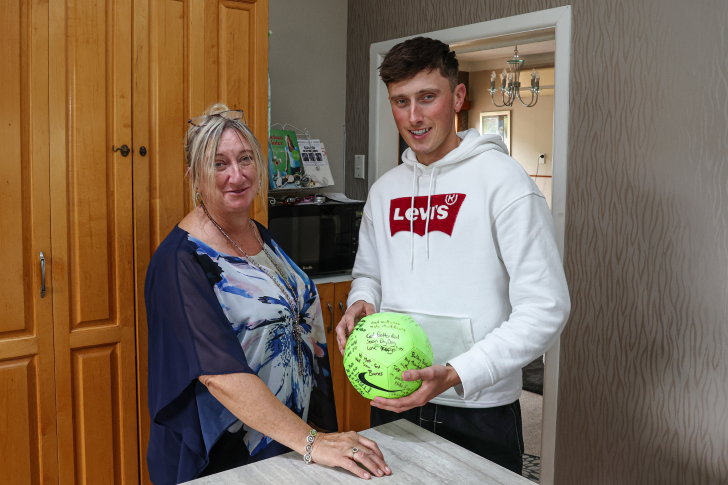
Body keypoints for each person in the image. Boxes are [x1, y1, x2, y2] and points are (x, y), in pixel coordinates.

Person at [336, 37, 570, 475]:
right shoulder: (384, 190)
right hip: (394, 398)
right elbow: (368, 274)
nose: (414, 116)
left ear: (458, 96)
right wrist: (359, 302)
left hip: (480, 407)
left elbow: (546, 307)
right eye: (400, 101)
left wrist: (458, 372)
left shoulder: (505, 184)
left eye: (428, 97)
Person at [145, 104, 391, 484]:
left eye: (245, 159)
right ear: (194, 177)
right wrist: (313, 443)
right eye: (219, 163)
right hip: (227, 454)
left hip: (287, 438)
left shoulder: (259, 234)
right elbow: (219, 376)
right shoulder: (180, 263)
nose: (237, 175)